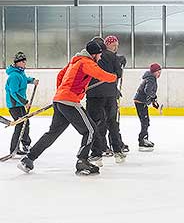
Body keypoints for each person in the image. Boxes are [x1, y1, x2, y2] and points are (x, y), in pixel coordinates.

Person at [17, 41, 117, 176]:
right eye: (99, 55)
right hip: (69, 101)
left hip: (60, 100)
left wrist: (60, 93)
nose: (100, 58)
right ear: (93, 54)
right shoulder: (86, 62)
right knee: (91, 130)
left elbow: (60, 75)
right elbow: (101, 75)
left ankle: (28, 159)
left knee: (52, 133)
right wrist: (114, 76)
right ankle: (82, 161)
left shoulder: (74, 61)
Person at [86, 35, 126, 167]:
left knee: (96, 124)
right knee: (112, 123)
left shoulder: (90, 58)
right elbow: (118, 75)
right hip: (110, 95)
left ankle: (97, 153)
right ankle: (118, 152)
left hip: (95, 96)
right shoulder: (112, 56)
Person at [5, 52, 39, 155]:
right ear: (18, 63)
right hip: (15, 105)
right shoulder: (14, 76)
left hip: (19, 104)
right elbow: (13, 92)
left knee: (25, 123)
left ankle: (25, 144)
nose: (25, 63)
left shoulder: (20, 73)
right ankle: (14, 148)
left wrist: (32, 80)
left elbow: (24, 80)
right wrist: (25, 102)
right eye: (23, 61)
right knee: (20, 125)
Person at [133, 63, 161, 151]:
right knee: (145, 121)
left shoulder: (150, 78)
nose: (159, 74)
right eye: (158, 72)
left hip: (141, 102)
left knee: (145, 121)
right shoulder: (151, 79)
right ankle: (142, 139)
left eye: (160, 72)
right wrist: (154, 97)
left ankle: (144, 138)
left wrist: (153, 101)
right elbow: (147, 90)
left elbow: (149, 91)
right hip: (140, 102)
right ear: (153, 72)